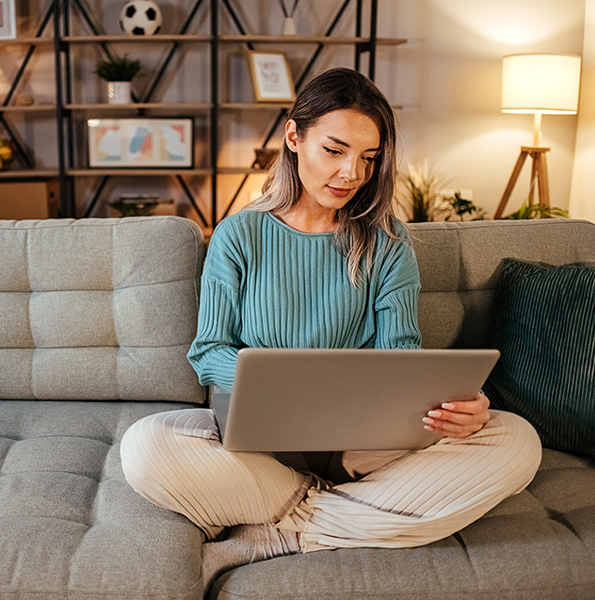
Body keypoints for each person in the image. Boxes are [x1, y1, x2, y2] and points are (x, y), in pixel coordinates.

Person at [120, 67, 542, 590]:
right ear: (294, 138)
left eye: (368, 158)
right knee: (145, 445)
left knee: (516, 440)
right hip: (261, 449)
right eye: (335, 150)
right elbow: (208, 351)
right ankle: (350, 515)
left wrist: (457, 408)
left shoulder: (387, 242)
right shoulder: (239, 234)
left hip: (367, 450)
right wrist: (276, 381)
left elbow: (401, 358)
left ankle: (283, 530)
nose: (351, 174)